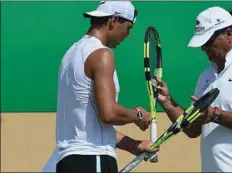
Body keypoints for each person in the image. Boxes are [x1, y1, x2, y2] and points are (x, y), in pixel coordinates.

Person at [42, 1, 159, 173]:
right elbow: (108, 113)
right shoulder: (102, 54)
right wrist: (137, 114)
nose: (128, 35)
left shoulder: (70, 55)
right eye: (128, 28)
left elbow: (88, 126)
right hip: (92, 159)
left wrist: (133, 145)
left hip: (65, 161)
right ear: (113, 20)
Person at [156, 6, 232, 172]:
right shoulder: (206, 76)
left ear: (229, 35)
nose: (204, 49)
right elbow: (193, 129)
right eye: (202, 44)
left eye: (208, 42)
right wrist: (167, 102)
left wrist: (215, 115)